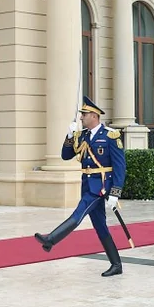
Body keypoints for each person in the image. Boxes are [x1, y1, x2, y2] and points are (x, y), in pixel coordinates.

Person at [34, 96, 126, 277]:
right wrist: (69, 136)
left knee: (79, 213)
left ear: (94, 115)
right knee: (100, 226)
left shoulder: (110, 135)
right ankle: (116, 265)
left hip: (100, 187)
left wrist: (115, 192)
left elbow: (120, 166)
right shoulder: (82, 135)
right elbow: (65, 155)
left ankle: (51, 239)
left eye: (84, 114)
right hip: (87, 184)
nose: (81, 118)